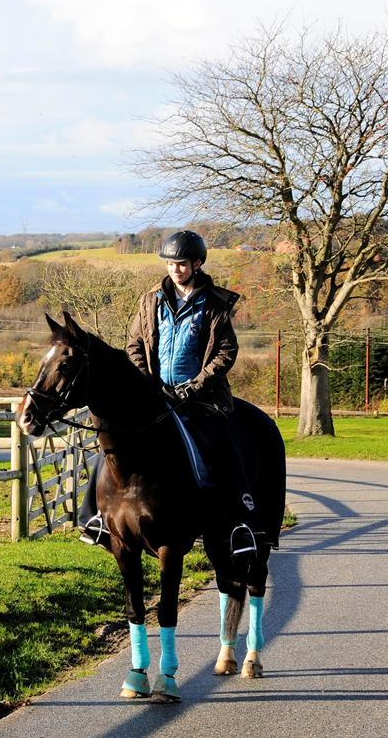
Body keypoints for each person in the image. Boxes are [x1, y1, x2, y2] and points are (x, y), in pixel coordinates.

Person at [81, 229, 262, 559]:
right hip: (153, 395)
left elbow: (225, 351)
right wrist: (146, 381)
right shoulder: (151, 300)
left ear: (197, 264)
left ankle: (240, 521)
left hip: (201, 396)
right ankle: (96, 517)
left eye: (181, 264)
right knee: (112, 441)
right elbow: (134, 344)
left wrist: (195, 385)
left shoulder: (215, 304)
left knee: (222, 442)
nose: (175, 269)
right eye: (170, 263)